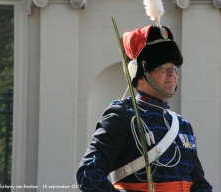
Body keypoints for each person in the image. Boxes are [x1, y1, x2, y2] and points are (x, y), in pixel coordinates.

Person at [76, 23, 213, 192]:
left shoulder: (182, 124)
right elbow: (88, 175)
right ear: (141, 74)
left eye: (174, 68)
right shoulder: (121, 116)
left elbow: (199, 183)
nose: (172, 74)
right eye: (163, 67)